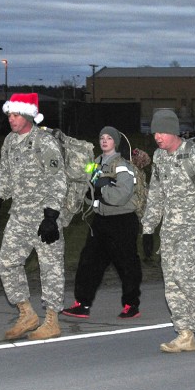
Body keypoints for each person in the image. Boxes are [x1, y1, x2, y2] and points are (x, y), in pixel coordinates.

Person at [141, 109, 195, 353]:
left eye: (162, 132)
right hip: (169, 230)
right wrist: (148, 228)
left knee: (184, 275)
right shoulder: (159, 157)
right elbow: (156, 194)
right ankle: (185, 334)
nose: (158, 137)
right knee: (172, 283)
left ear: (174, 131)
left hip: (193, 228)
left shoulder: (194, 156)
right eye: (155, 132)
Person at [0, 93, 67, 341]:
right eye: (9, 115)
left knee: (50, 268)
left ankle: (52, 320)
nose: (10, 119)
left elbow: (58, 180)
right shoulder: (10, 141)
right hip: (20, 215)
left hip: (45, 217)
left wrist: (52, 215)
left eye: (14, 115)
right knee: (7, 262)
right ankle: (27, 314)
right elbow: (6, 177)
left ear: (27, 115)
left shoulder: (45, 142)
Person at [62, 127, 142, 319]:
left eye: (109, 138)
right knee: (88, 262)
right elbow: (88, 190)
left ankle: (131, 305)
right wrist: (95, 193)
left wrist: (101, 191)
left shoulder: (123, 165)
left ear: (116, 142)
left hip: (122, 221)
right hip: (100, 221)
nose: (104, 141)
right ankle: (82, 303)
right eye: (101, 137)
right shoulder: (95, 163)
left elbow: (121, 196)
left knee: (126, 264)